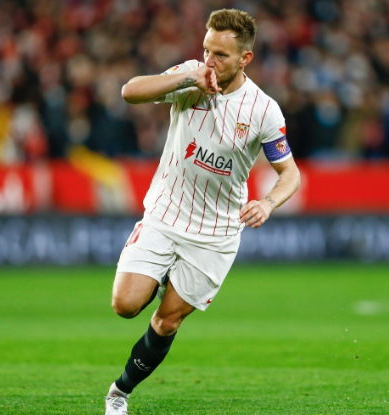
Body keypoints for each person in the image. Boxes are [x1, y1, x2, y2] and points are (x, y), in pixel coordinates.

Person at [105, 8, 301, 415]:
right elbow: (130, 91)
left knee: (168, 321)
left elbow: (290, 174)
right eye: (207, 50)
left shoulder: (263, 110)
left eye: (221, 55)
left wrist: (267, 203)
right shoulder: (189, 76)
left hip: (215, 234)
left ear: (245, 58)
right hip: (165, 215)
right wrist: (188, 78)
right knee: (125, 305)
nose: (210, 60)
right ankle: (159, 275)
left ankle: (119, 392)